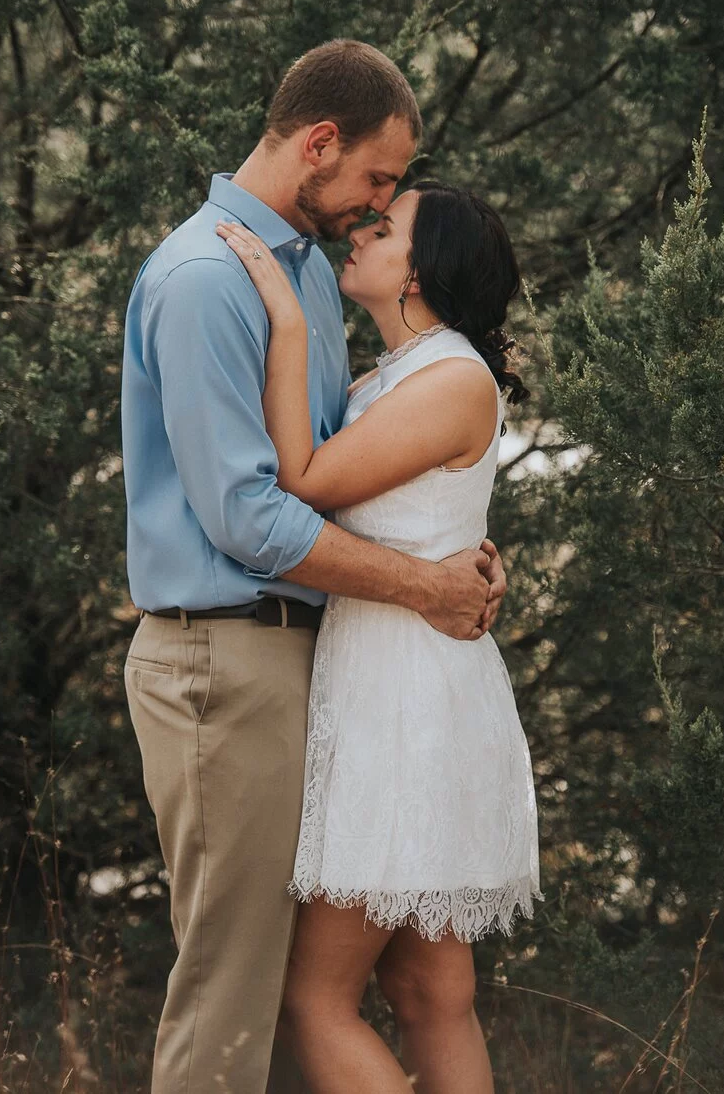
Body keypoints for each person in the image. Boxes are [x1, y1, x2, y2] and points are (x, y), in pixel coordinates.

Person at [120, 40, 508, 1094]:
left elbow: (350, 472)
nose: (376, 204)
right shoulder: (209, 278)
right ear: (319, 142)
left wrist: (455, 549)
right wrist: (425, 583)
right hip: (224, 659)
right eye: (377, 181)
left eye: (392, 201)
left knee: (357, 988)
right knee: (233, 995)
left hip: (318, 663)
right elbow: (251, 514)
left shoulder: (299, 275)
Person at [216, 179, 542, 1094]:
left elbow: (307, 478)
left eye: (384, 226)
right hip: (410, 677)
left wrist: (285, 321)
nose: (361, 230)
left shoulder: (450, 377)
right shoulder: (402, 375)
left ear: (420, 273)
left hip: (401, 704)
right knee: (429, 986)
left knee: (315, 998)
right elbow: (427, 516)